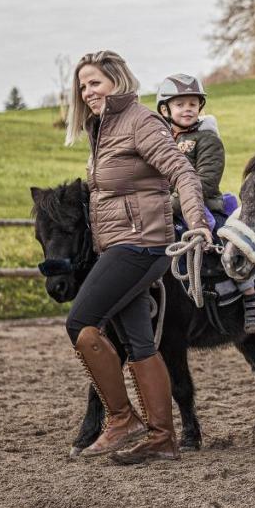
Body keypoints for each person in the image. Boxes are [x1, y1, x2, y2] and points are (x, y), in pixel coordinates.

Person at [63, 50, 210, 464]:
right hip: (120, 244)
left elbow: (183, 172)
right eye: (83, 85)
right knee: (139, 342)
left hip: (141, 244)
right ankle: (163, 437)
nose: (88, 91)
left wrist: (198, 221)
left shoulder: (140, 122)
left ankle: (123, 419)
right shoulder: (104, 129)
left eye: (95, 82)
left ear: (117, 81)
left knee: (80, 322)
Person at [155, 73, 255, 334]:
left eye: (193, 104)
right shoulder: (162, 141)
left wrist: (166, 205)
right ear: (165, 109)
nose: (187, 109)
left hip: (203, 204)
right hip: (166, 206)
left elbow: (204, 181)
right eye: (180, 104)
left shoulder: (208, 140)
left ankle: (250, 296)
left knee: (226, 243)